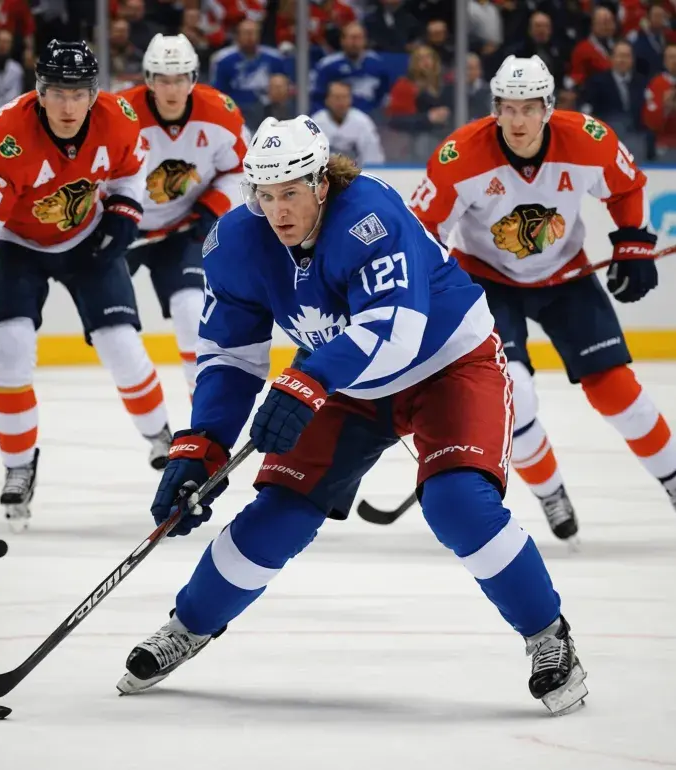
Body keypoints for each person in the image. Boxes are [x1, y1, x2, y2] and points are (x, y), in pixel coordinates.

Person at [115, 115, 588, 716]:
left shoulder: (369, 213)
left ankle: (549, 637)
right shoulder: (235, 242)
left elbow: (396, 329)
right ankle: (191, 623)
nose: (278, 210)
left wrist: (308, 379)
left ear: (320, 184)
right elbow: (231, 358)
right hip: (345, 378)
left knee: (458, 503)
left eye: (291, 192)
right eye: (265, 194)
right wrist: (200, 446)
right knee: (278, 512)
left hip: (448, 361)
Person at [410, 55, 676, 543]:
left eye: (528, 108)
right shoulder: (460, 156)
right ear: (495, 108)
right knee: (517, 392)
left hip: (566, 275)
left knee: (619, 392)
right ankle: (551, 491)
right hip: (487, 283)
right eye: (507, 108)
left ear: (548, 107)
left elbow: (627, 188)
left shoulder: (588, 140)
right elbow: (422, 229)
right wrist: (436, 290)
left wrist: (633, 242)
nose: (517, 120)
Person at [0, 40, 171, 529]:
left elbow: (132, 171)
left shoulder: (119, 119)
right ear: (39, 92)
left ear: (94, 93)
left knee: (122, 345)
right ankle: (18, 466)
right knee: (9, 350)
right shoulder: (9, 135)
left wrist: (125, 211)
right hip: (17, 245)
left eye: (79, 93)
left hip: (86, 241)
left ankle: (163, 439)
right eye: (57, 93)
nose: (68, 106)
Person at [118, 34, 248, 397]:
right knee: (113, 332)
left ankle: (203, 411)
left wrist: (213, 207)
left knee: (192, 309)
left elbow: (240, 170)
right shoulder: (119, 114)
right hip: (124, 228)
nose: (171, 88)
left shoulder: (221, 113)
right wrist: (112, 215)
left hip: (183, 230)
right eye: (162, 78)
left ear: (193, 78)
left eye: (179, 78)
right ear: (148, 79)